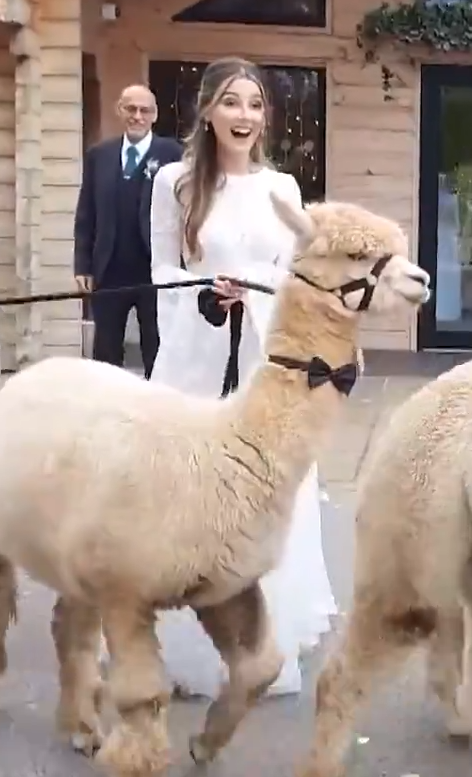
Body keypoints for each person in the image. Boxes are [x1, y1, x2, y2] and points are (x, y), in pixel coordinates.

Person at [145, 57, 337, 699]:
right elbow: (162, 274)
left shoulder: (282, 189)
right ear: (206, 111)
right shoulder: (173, 183)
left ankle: (265, 637)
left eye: (255, 105)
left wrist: (253, 295)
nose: (245, 117)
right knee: (193, 490)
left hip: (261, 361)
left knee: (263, 489)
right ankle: (191, 641)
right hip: (194, 357)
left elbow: (296, 280)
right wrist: (204, 289)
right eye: (232, 103)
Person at [73, 85, 179, 377]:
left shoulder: (172, 154)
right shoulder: (99, 155)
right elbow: (86, 213)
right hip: (109, 270)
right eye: (131, 109)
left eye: (144, 110)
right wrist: (82, 265)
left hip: (154, 270)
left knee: (156, 348)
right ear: (120, 110)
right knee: (106, 352)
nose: (137, 116)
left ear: (154, 115)